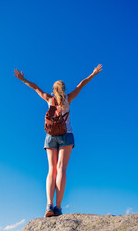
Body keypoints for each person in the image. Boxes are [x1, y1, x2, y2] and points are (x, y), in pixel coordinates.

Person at [13, 64, 103, 217]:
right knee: (61, 169)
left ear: (54, 89)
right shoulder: (68, 98)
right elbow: (81, 84)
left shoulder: (49, 99)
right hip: (66, 135)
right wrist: (93, 73)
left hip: (50, 137)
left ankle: (49, 205)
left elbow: (35, 88)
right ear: (64, 89)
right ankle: (58, 207)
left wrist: (23, 79)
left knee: (51, 170)